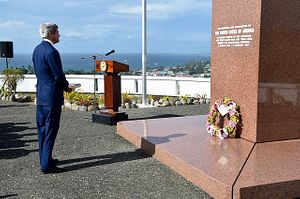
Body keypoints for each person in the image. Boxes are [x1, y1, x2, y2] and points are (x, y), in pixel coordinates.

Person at [32, 23, 69, 174]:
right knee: (51, 130)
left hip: (41, 96)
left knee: (42, 129)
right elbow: (58, 76)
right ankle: (46, 166)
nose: (59, 35)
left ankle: (45, 158)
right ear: (51, 33)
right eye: (58, 32)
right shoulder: (52, 52)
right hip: (52, 98)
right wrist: (67, 87)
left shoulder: (37, 50)